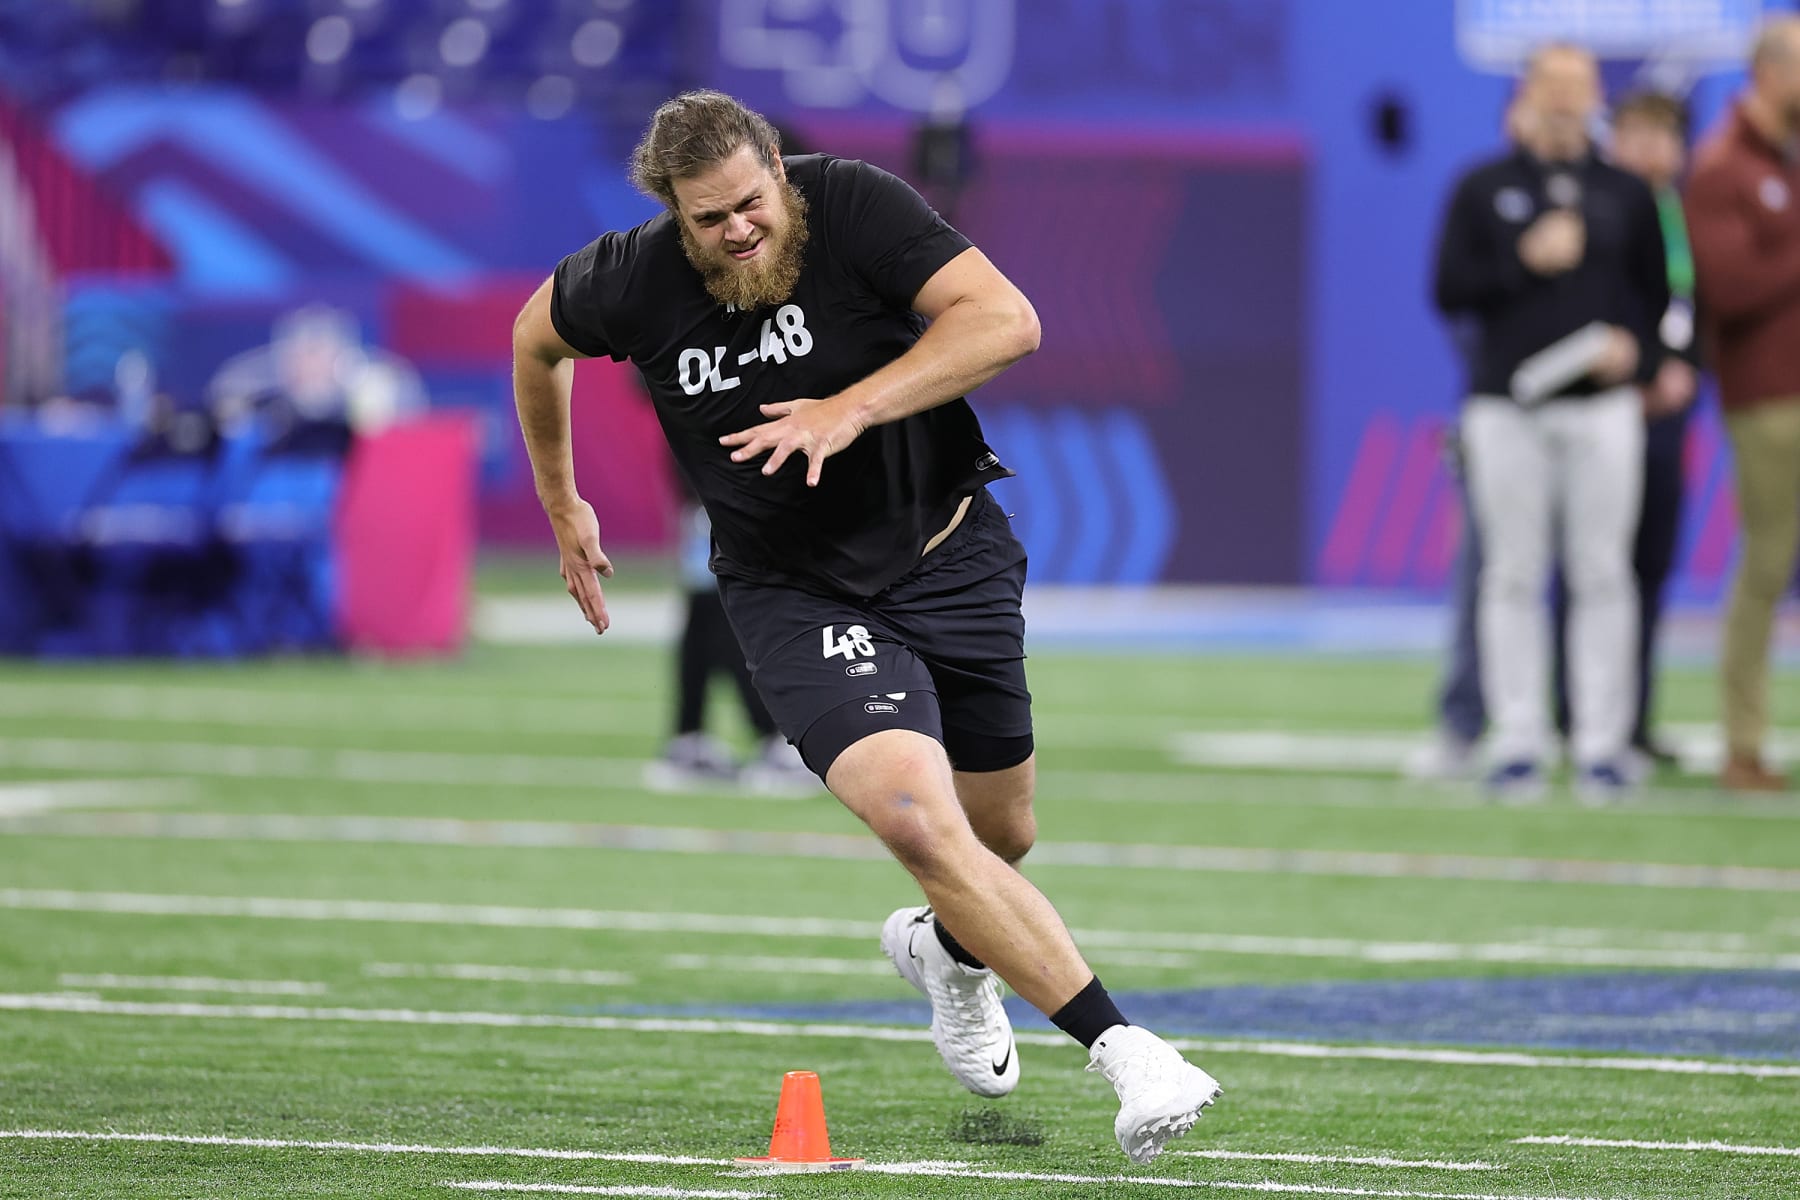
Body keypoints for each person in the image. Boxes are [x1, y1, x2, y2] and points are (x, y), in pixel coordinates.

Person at [510, 90, 1221, 1164]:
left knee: (1001, 836)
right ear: (673, 215)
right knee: (917, 823)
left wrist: (852, 407)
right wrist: (563, 503)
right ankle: (1127, 1051)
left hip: (950, 548)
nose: (738, 229)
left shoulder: (854, 205)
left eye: (751, 202)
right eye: (710, 220)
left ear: (779, 173)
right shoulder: (630, 276)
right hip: (794, 590)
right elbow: (533, 342)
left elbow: (1008, 320)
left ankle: (949, 953)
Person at [1432, 45, 1669, 799]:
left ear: (1597, 97)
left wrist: (1635, 350)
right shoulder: (1483, 186)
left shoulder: (1627, 192)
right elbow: (1448, 290)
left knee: (1604, 573)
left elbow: (1656, 296)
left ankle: (1602, 744)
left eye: (1579, 91)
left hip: (1603, 409)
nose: (1566, 105)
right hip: (1508, 405)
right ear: (1529, 97)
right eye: (1553, 90)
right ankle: (1519, 740)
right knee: (1511, 574)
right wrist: (1523, 261)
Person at [1552, 90, 1702, 769]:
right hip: (1602, 402)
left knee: (1646, 567)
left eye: (1662, 135)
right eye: (1636, 133)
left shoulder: (1684, 215)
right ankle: (1570, 711)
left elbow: (1697, 308)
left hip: (1669, 416)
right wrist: (1640, 370)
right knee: (1587, 559)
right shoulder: (1596, 207)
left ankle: (1631, 716)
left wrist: (1680, 369)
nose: (1649, 148)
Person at [1684, 17, 1800, 793]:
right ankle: (1743, 744)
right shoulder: (1723, 166)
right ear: (1768, 70)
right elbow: (1726, 289)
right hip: (1770, 394)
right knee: (1766, 565)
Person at [645, 495, 815, 794]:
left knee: (706, 615)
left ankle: (690, 737)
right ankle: (771, 738)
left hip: (712, 499)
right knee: (727, 618)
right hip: (721, 501)